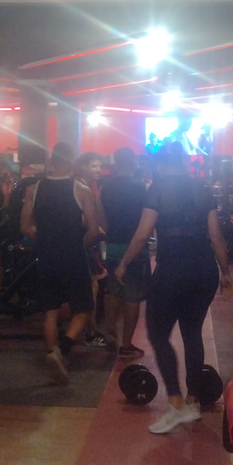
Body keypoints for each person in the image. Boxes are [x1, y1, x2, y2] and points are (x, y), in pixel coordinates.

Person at [114, 143, 233, 434]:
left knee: (158, 334)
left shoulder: (157, 189)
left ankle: (176, 404)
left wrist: (123, 263)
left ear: (158, 164)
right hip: (203, 270)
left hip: (173, 270)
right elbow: (216, 235)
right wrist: (225, 271)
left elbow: (142, 234)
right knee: (192, 333)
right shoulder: (202, 189)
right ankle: (192, 402)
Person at [21, 143, 100, 384]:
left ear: (52, 161)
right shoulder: (81, 189)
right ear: (73, 162)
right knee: (83, 307)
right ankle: (62, 349)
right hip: (73, 255)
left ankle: (51, 352)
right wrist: (78, 244)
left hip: (46, 255)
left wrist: (45, 239)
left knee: (50, 310)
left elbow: (25, 227)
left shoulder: (34, 189)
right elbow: (93, 229)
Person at [99, 147, 148, 359]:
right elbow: (147, 222)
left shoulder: (105, 188)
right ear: (134, 161)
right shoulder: (142, 188)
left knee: (113, 292)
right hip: (135, 248)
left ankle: (110, 334)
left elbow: (101, 219)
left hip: (112, 246)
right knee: (132, 297)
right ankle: (126, 344)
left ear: (115, 163)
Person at [75, 151, 109, 347]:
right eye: (94, 166)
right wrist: (96, 227)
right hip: (84, 243)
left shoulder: (88, 186)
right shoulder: (81, 187)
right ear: (83, 167)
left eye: (100, 166)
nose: (99, 169)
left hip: (85, 243)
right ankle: (91, 331)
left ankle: (88, 329)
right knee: (91, 288)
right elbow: (79, 217)